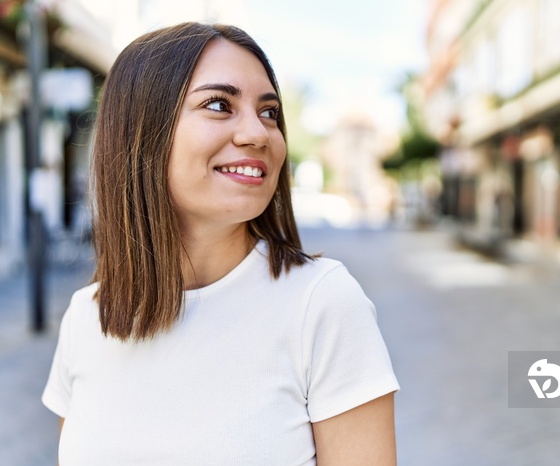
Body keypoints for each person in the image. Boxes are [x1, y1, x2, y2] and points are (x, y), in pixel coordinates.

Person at [42, 22, 399, 465]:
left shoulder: (321, 304)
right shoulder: (86, 317)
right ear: (141, 134)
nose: (259, 133)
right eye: (218, 104)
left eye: (269, 112)